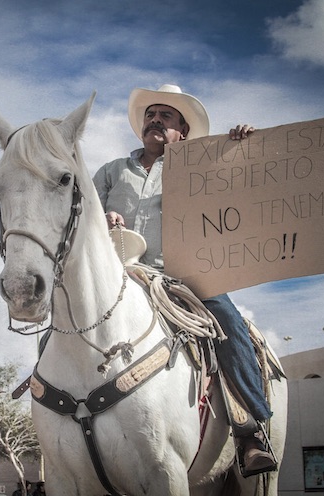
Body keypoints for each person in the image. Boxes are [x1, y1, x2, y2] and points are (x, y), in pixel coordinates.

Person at [92, 84, 275, 477]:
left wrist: (241, 150)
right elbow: (84, 217)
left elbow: (240, 196)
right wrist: (102, 219)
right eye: (150, 115)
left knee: (230, 325)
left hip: (183, 276)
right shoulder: (110, 171)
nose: (154, 120)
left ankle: (250, 430)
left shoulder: (200, 168)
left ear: (183, 132)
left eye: (166, 116)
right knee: (63, 326)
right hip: (118, 275)